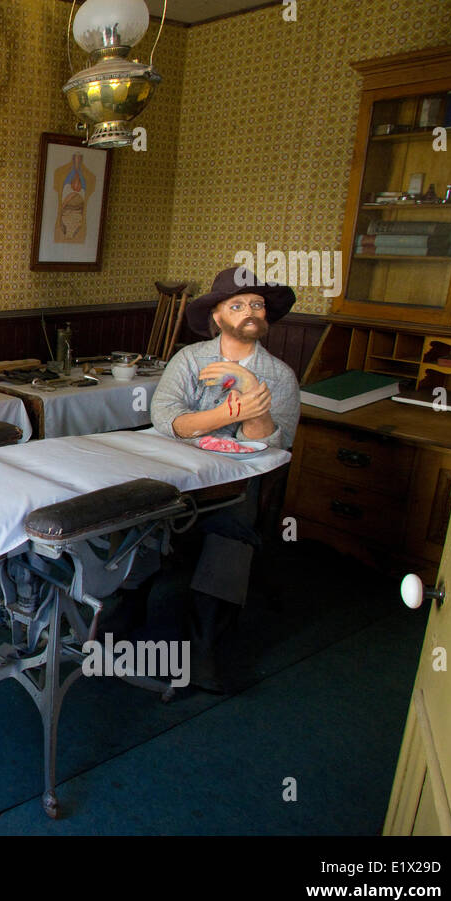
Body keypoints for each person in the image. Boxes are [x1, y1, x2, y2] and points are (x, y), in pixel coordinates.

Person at [88, 266, 299, 693]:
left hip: (234, 479)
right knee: (136, 505)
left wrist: (252, 392)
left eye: (256, 305)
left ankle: (205, 643)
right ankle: (123, 611)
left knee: (233, 526)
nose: (249, 312)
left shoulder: (280, 377)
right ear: (217, 316)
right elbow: (166, 418)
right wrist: (224, 415)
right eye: (237, 305)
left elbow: (273, 445)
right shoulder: (189, 360)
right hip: (173, 464)